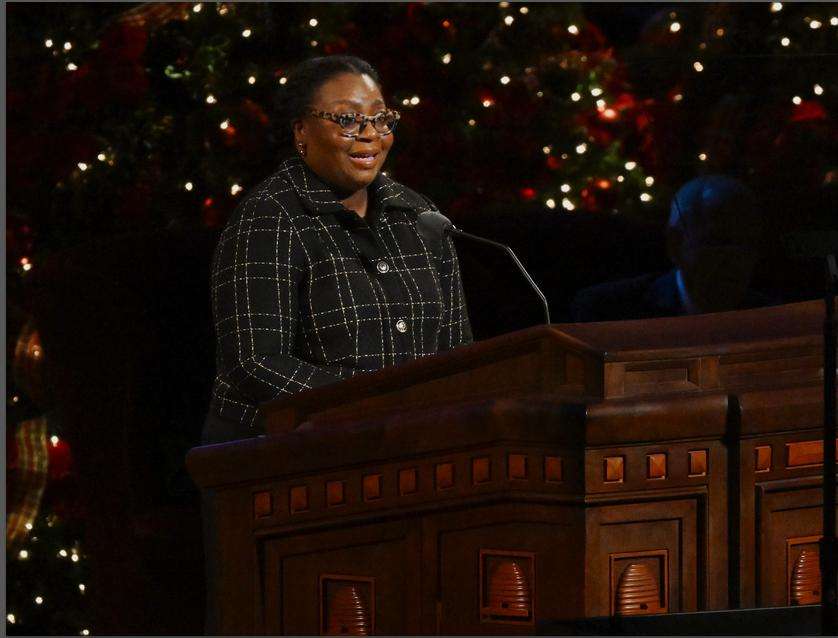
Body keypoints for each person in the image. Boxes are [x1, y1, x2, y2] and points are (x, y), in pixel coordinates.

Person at [201, 55, 473, 445]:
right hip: (282, 461)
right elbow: (256, 364)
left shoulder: (419, 216)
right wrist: (377, 403)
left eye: (380, 119)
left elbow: (458, 353)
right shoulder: (270, 217)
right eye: (346, 120)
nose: (369, 134)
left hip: (409, 447)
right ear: (302, 131)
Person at [570, 175, 777, 322]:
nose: (736, 259)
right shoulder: (608, 313)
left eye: (748, 244)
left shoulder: (772, 319)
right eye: (718, 243)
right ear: (675, 245)